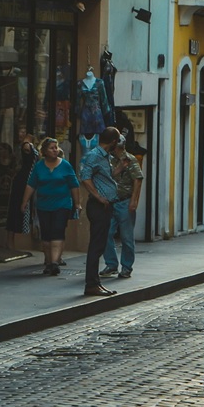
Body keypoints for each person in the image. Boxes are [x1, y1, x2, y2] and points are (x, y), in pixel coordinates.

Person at [20, 137, 80, 277]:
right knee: (46, 234)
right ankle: (48, 262)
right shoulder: (39, 167)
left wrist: (77, 203)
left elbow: (74, 185)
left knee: (57, 231)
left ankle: (54, 263)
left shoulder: (65, 165)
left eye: (56, 147)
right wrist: (24, 202)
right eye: (51, 148)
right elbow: (31, 185)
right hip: (44, 205)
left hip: (62, 204)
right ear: (44, 151)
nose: (55, 150)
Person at [77, 126, 122, 297]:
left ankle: (96, 282)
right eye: (117, 141)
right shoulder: (94, 155)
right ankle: (91, 284)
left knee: (100, 244)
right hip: (98, 206)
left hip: (105, 205)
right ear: (113, 141)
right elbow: (85, 177)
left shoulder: (104, 157)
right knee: (96, 245)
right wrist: (98, 197)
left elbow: (105, 178)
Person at [99, 133, 143, 280]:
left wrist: (134, 200)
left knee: (126, 237)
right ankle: (111, 264)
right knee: (106, 234)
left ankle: (126, 267)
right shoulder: (109, 160)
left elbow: (137, 180)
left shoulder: (129, 159)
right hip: (111, 202)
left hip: (124, 201)